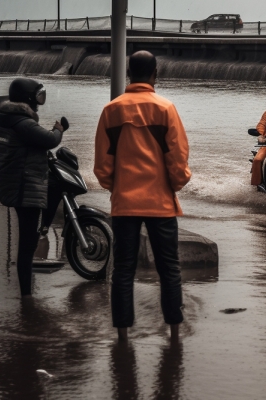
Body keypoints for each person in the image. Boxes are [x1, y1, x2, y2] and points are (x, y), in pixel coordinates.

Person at [94, 50, 191, 341]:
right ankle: (174, 330)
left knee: (123, 269)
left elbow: (102, 165)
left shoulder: (112, 110)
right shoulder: (165, 108)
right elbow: (177, 158)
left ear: (128, 74)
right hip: (160, 204)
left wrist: (116, 186)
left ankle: (123, 335)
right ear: (155, 74)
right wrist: (176, 184)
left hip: (124, 204)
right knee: (169, 269)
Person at [0, 78, 65, 297]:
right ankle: (26, 297)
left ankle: (27, 287)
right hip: (24, 187)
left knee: (28, 237)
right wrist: (59, 128)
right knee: (26, 244)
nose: (40, 102)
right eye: (38, 97)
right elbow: (50, 140)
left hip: (15, 183)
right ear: (28, 99)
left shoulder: (6, 119)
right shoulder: (23, 123)